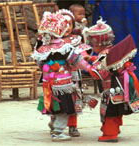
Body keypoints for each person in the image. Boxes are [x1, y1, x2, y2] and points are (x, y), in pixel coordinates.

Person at [32, 12, 99, 141]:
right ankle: (57, 132)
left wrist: (49, 71)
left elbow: (40, 65)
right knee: (64, 108)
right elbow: (77, 60)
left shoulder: (43, 49)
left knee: (56, 105)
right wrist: (90, 68)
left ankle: (54, 124)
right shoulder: (65, 47)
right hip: (63, 84)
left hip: (49, 83)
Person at [83, 18, 139, 142]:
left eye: (93, 45)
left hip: (110, 89)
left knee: (109, 113)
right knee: (117, 112)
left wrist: (84, 66)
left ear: (97, 44)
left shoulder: (105, 57)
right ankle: (114, 129)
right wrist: (91, 59)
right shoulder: (112, 53)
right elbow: (102, 61)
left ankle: (110, 134)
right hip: (119, 88)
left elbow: (98, 73)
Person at [89, 0, 139, 89]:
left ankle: (136, 79)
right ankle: (108, 79)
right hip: (113, 7)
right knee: (110, 39)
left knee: (134, 40)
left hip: (130, 8)